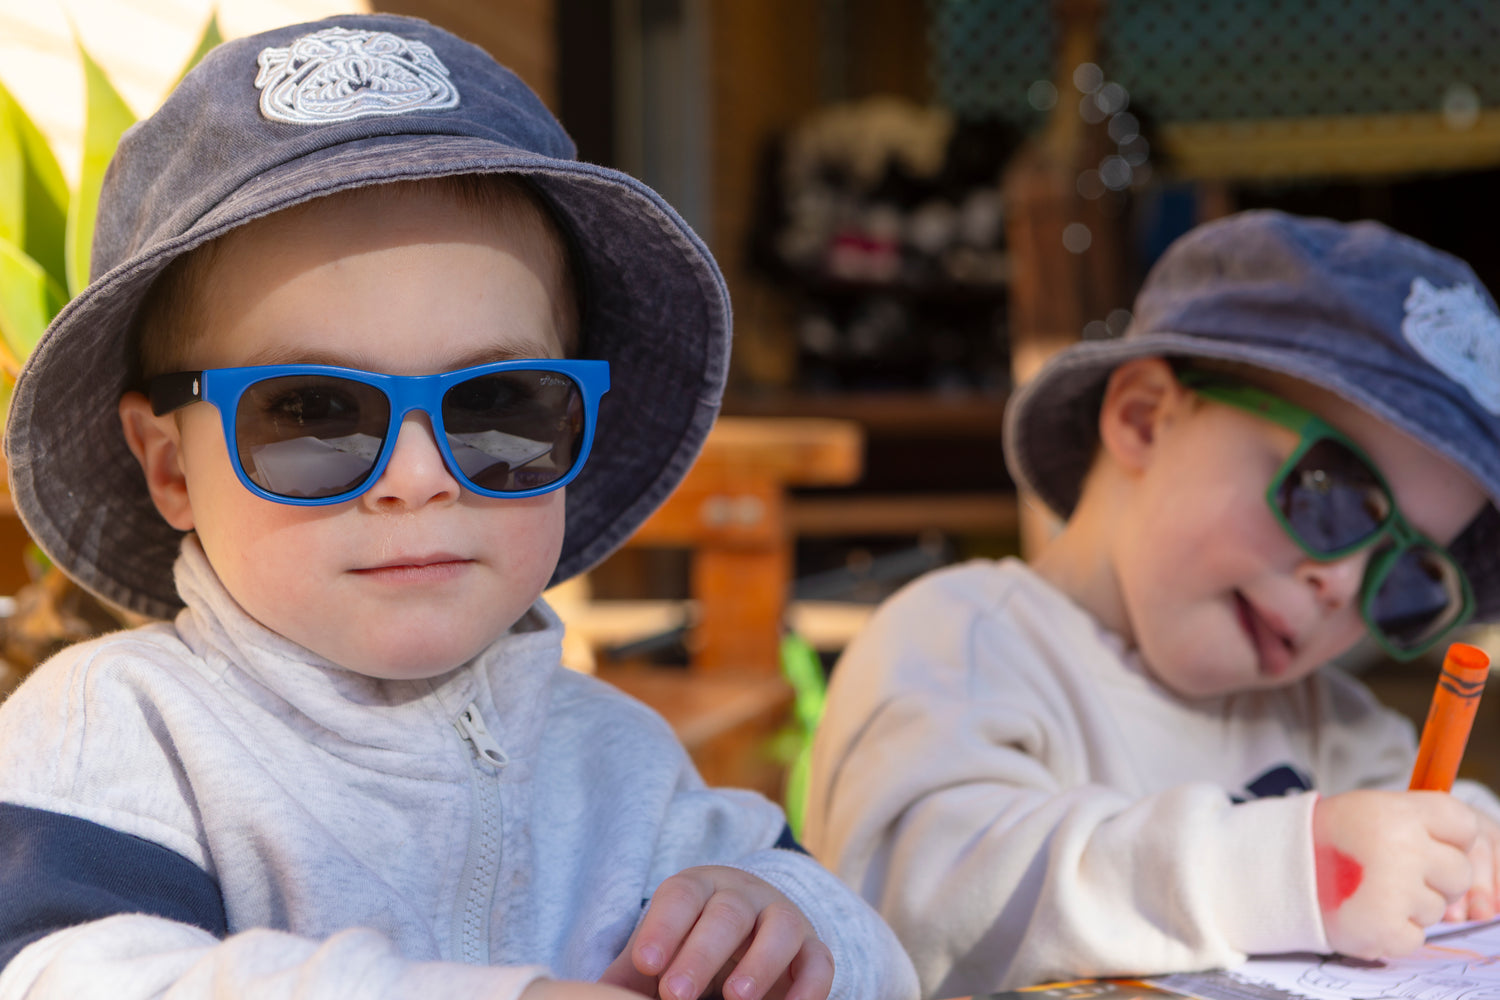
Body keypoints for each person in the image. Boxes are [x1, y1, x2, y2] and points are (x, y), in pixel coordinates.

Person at [0, 14, 919, 1000]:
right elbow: (60, 973)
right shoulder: (119, 726)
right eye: (313, 412)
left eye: (496, 406)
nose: (417, 473)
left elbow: (876, 961)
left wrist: (778, 922)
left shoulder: (620, 761)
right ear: (169, 466)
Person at [803, 209, 1500, 998]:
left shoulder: (1324, 720)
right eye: (1331, 498)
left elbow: (1424, 820)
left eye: (1408, 577)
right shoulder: (960, 641)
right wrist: (1284, 872)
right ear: (1143, 418)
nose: (1341, 586)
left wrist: (1468, 848)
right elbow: (917, 914)